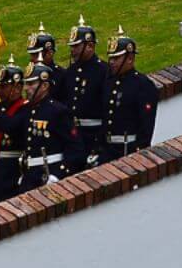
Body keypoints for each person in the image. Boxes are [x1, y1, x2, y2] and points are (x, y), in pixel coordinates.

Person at [18, 62, 84, 192]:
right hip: (31, 176)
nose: (26, 88)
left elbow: (76, 149)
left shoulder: (57, 111)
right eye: (26, 84)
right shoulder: (26, 110)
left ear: (45, 86)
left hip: (49, 173)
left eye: (31, 84)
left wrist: (58, 174)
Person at [101, 27, 160, 163]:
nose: (111, 62)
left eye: (116, 58)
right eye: (111, 58)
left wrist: (137, 155)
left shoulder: (142, 85)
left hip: (128, 150)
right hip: (108, 151)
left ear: (130, 59)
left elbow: (146, 128)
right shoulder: (109, 82)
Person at [66, 16, 110, 167]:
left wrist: (99, 144)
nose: (72, 50)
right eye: (72, 46)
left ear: (90, 46)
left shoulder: (103, 71)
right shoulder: (71, 71)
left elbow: (107, 110)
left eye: (76, 46)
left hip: (93, 135)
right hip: (74, 137)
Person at [0, 60, 29, 205]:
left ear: (17, 88)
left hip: (11, 170)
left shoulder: (25, 109)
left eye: (4, 87)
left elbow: (10, 125)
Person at [26, 23, 67, 103]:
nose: (31, 58)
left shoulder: (61, 75)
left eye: (36, 54)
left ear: (49, 53)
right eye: (31, 54)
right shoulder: (31, 74)